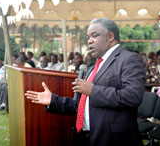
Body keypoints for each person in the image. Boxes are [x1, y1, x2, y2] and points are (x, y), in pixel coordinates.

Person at [25, 18, 146, 146]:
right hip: (86, 137)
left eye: (94, 36)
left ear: (110, 36)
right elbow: (81, 105)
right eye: (88, 37)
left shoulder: (129, 59)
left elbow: (133, 96)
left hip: (113, 139)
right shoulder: (94, 67)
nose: (89, 41)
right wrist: (53, 100)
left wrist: (93, 90)